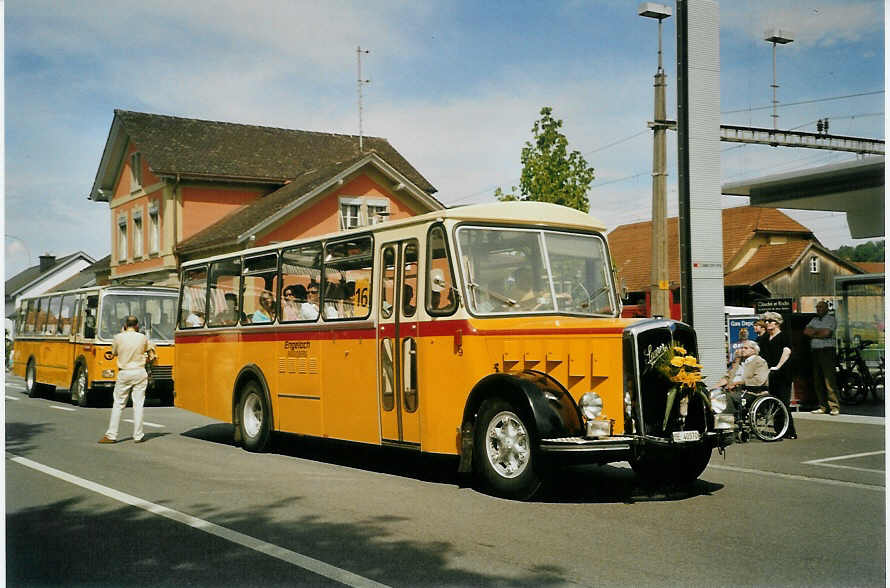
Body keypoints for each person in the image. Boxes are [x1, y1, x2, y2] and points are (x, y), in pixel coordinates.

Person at [98, 315, 155, 444]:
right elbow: (149, 350)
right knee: (138, 403)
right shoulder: (143, 338)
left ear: (125, 325)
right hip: (140, 372)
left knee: (118, 404)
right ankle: (138, 435)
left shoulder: (118, 338)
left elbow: (114, 352)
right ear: (137, 326)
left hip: (125, 372)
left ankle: (112, 435)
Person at [758, 311, 797, 439]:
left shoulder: (784, 336)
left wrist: (778, 366)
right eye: (766, 321)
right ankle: (779, 429)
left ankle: (790, 431)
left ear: (777, 323)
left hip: (782, 373)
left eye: (770, 321)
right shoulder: (764, 339)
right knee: (773, 402)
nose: (767, 323)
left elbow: (787, 352)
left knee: (783, 401)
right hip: (770, 374)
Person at [804, 300, 840, 415]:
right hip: (815, 351)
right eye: (817, 307)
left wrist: (814, 333)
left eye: (820, 307)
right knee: (818, 379)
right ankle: (823, 406)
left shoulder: (831, 319)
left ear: (826, 308)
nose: (818, 309)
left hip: (827, 351)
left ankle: (834, 406)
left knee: (828, 379)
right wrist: (819, 333)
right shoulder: (814, 320)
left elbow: (827, 333)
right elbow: (806, 332)